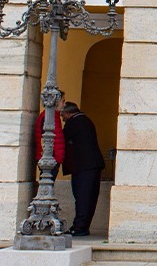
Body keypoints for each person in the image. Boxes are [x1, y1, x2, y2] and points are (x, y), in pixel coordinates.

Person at [60, 101, 105, 237]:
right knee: (88, 197)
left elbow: (61, 138)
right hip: (91, 166)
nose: (62, 118)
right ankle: (82, 226)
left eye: (62, 115)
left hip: (84, 167)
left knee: (82, 197)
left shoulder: (74, 122)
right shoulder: (85, 120)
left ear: (68, 113)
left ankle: (80, 227)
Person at [33, 89, 65, 175]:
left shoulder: (54, 116)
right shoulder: (48, 116)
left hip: (53, 158)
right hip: (49, 159)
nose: (64, 104)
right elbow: (43, 138)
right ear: (56, 101)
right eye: (63, 101)